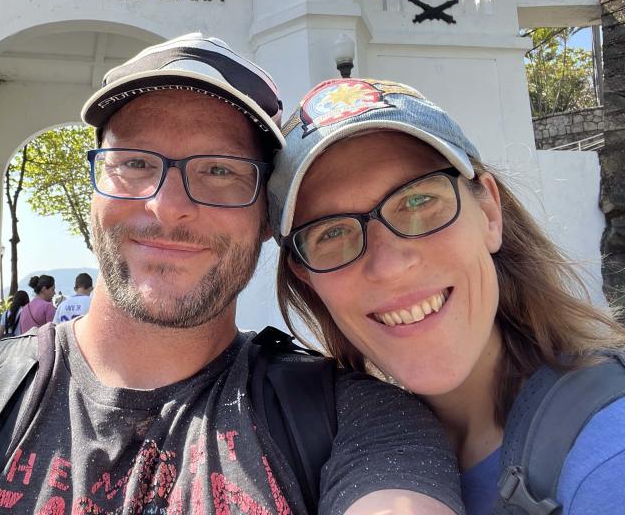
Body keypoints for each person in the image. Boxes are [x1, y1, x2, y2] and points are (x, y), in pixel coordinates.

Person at [0, 36, 463, 515]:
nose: (166, 207)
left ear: (266, 216)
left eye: (219, 171)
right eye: (133, 164)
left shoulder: (354, 422)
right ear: (92, 193)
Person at [268, 77, 625, 515]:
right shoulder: (337, 442)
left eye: (418, 202)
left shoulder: (608, 455)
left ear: (489, 212)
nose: (389, 265)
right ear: (308, 279)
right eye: (333, 233)